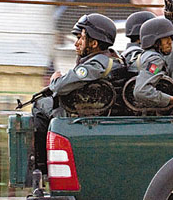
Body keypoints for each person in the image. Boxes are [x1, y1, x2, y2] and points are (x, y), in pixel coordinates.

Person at [32, 13, 125, 173]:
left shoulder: (96, 64)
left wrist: (55, 80)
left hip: (84, 116)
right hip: (94, 112)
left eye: (80, 38)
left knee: (39, 104)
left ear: (94, 43)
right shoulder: (112, 58)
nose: (76, 43)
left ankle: (41, 168)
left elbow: (60, 87)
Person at [133, 16, 173, 112]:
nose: (170, 42)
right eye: (165, 38)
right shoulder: (154, 60)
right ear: (155, 41)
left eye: (171, 37)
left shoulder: (145, 56)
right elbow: (142, 91)